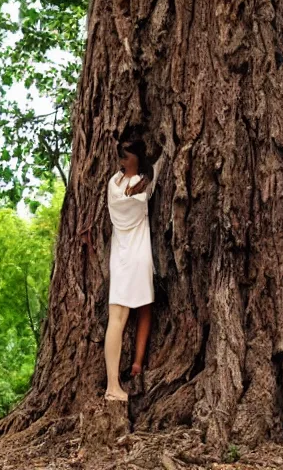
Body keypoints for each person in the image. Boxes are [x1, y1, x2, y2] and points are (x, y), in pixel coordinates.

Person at [104, 138, 161, 401]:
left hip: (127, 256)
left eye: (127, 156)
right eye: (121, 156)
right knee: (119, 317)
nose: (123, 160)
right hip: (133, 255)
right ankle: (112, 386)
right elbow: (142, 197)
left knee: (137, 310)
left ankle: (126, 372)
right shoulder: (134, 188)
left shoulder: (115, 183)